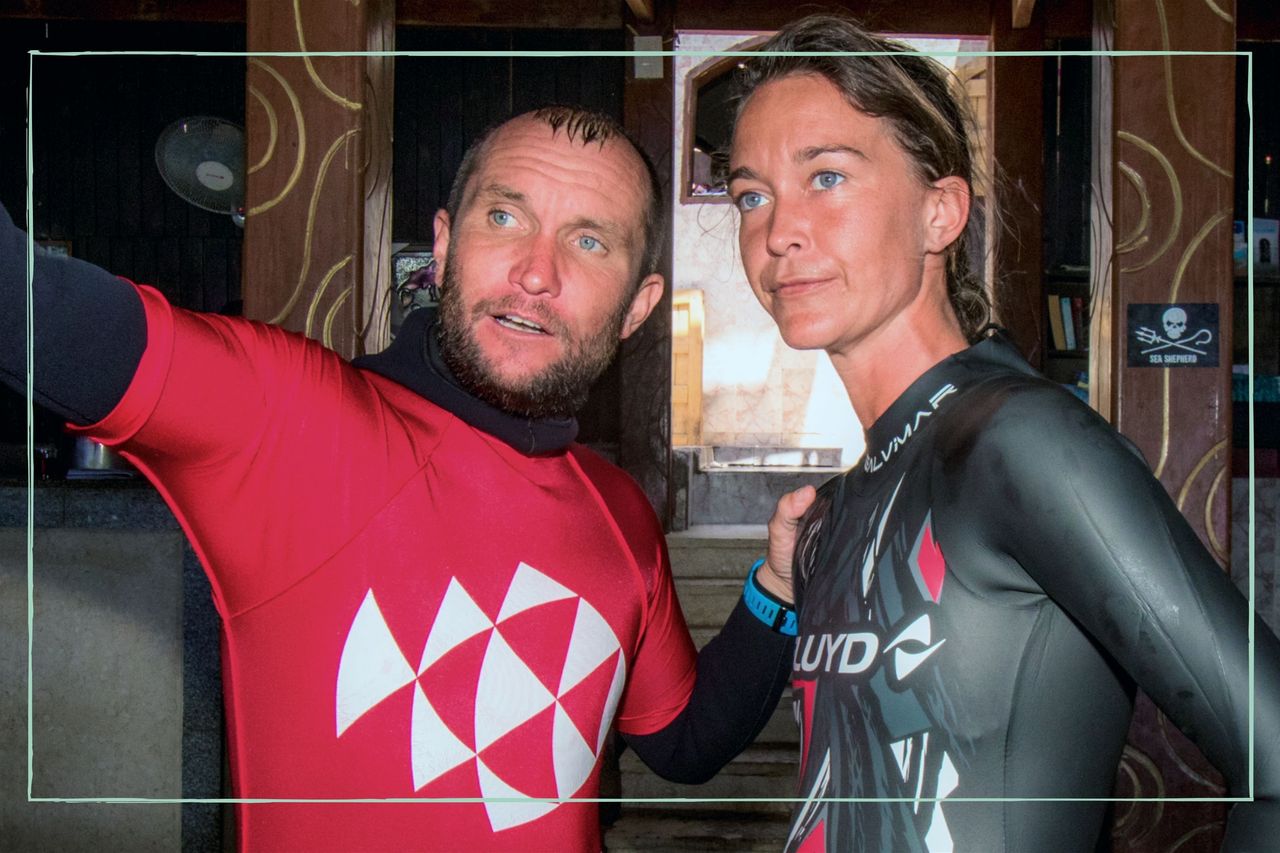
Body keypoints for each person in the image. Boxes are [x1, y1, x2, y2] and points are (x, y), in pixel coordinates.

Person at [0, 106, 807, 852]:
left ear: (638, 306)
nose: (536, 270)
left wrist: (777, 582)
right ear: (446, 245)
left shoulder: (619, 510)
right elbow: (27, 307)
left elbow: (684, 743)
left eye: (590, 241)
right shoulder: (290, 422)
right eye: (505, 216)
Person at [725, 15, 1280, 853]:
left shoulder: (1017, 443)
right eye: (752, 195)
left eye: (827, 177)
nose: (777, 231)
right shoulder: (833, 513)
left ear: (940, 213)